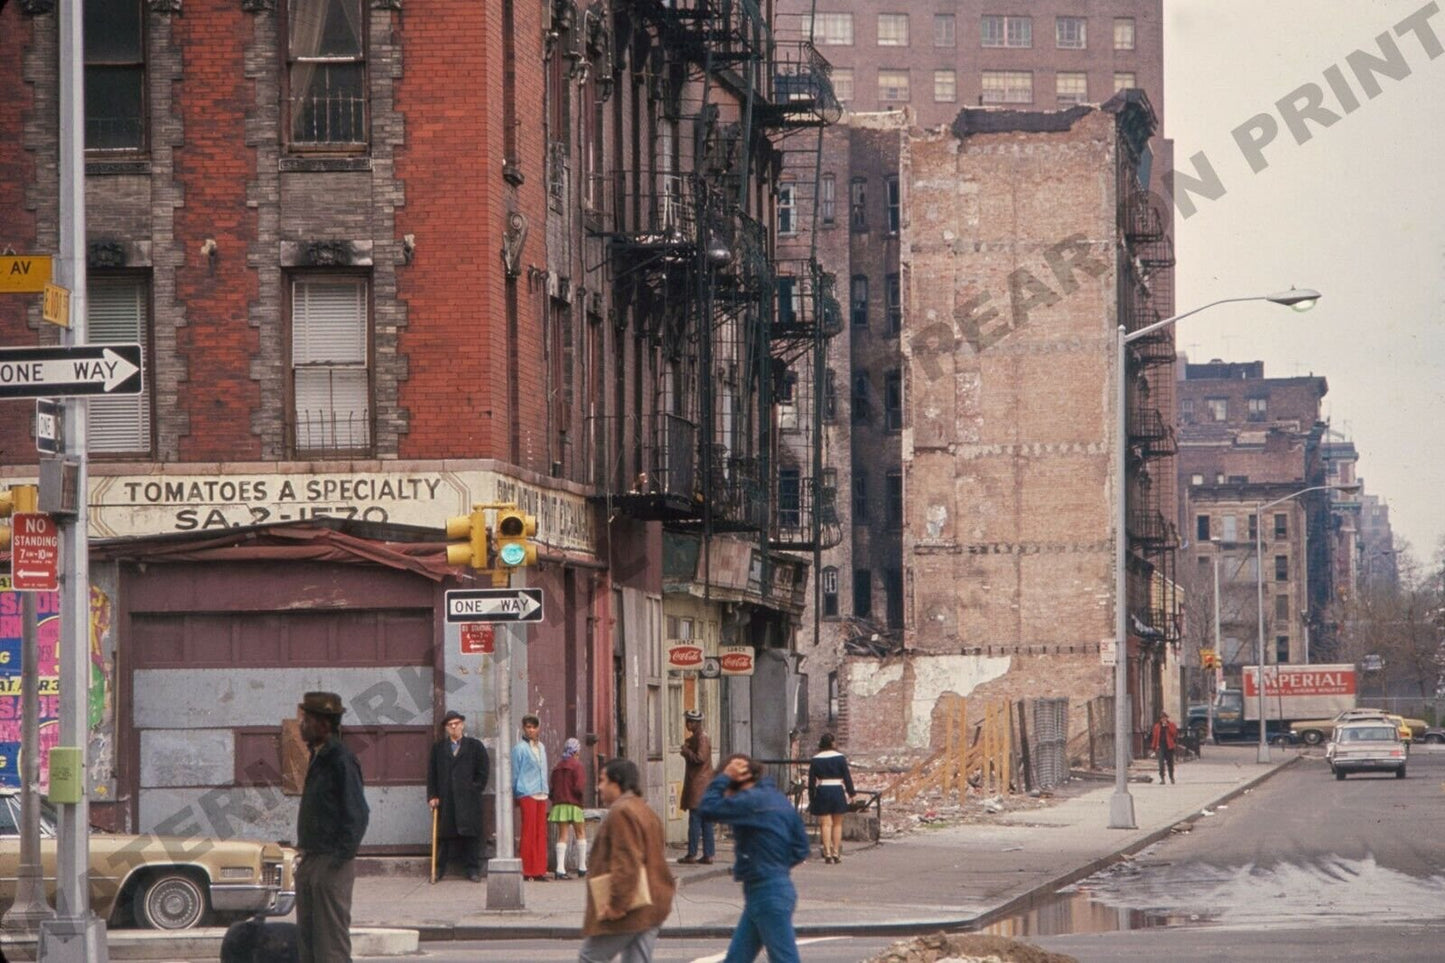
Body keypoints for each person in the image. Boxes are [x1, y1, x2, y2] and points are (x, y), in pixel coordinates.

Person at [698, 754, 810, 963]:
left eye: (727, 791)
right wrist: (774, 864)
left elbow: (707, 808)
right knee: (737, 959)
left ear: (736, 783)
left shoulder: (748, 801)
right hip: (775, 887)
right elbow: (801, 848)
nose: (727, 796)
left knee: (784, 959)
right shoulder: (778, 799)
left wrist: (722, 778)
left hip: (766, 891)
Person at [578, 758, 676, 963]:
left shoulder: (621, 812)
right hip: (652, 902)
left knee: (590, 958)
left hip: (630, 907)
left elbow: (627, 863)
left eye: (603, 781)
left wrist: (617, 905)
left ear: (617, 782)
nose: (599, 787)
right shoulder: (643, 809)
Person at [295, 691, 369, 963]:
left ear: (324, 725)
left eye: (307, 720)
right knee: (309, 946)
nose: (301, 725)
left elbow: (358, 814)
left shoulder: (340, 759)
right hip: (312, 859)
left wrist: (339, 858)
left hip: (330, 863)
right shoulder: (319, 756)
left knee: (330, 949)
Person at [427, 709, 490, 882]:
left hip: (468, 800)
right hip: (446, 799)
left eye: (456, 724)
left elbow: (483, 771)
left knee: (470, 836)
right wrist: (432, 795)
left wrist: (474, 788)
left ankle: (472, 869)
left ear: (462, 725)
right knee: (444, 836)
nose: (454, 727)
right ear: (446, 728)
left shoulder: (475, 746)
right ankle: (438, 869)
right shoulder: (439, 748)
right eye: (450, 725)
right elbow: (432, 774)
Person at [512, 713, 552, 881]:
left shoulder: (541, 747)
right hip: (527, 791)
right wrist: (516, 792)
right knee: (528, 831)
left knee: (540, 833)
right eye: (528, 727)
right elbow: (515, 771)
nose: (531, 730)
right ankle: (527, 870)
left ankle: (539, 869)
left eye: (534, 727)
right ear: (523, 728)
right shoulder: (519, 748)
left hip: (541, 792)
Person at [807, 732, 855, 864]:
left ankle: (827, 852)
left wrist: (811, 797)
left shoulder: (815, 759)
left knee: (825, 824)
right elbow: (847, 777)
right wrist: (851, 793)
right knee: (838, 824)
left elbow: (811, 782)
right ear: (833, 743)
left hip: (822, 790)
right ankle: (836, 853)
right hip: (837, 790)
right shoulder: (840, 758)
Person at [678, 709, 715, 865]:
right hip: (702, 785)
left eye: (690, 721)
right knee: (706, 821)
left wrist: (686, 752)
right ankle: (708, 854)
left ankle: (692, 853)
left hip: (699, 785)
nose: (687, 724)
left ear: (696, 723)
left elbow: (700, 758)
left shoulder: (702, 738)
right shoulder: (698, 738)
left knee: (696, 820)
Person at [550, 736, 589, 880]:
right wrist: (579, 797)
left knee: (563, 835)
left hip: (560, 805)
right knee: (580, 833)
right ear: (576, 752)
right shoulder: (578, 766)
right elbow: (579, 787)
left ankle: (560, 869)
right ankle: (582, 867)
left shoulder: (557, 767)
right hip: (574, 804)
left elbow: (552, 788)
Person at [1151, 710, 1179, 785]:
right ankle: (1162, 778)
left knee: (1170, 763)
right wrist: (1153, 747)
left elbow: (1174, 734)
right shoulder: (1157, 726)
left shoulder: (1171, 725)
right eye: (1162, 718)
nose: (1163, 719)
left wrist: (1167, 727)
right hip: (1160, 746)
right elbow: (1155, 737)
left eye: (1165, 718)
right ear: (1160, 719)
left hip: (1169, 746)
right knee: (1161, 763)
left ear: (1167, 718)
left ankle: (1171, 777)